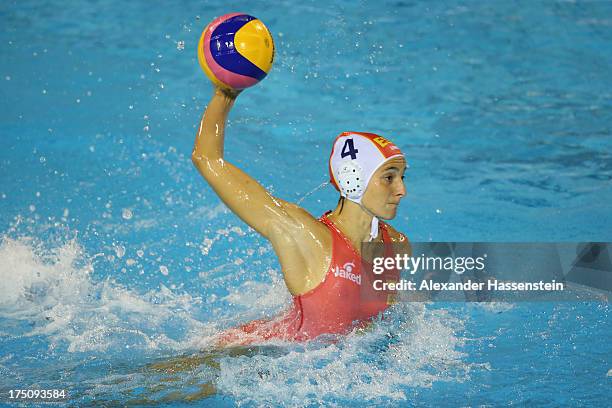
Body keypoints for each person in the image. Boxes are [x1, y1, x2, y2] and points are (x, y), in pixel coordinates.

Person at [192, 86, 410, 346]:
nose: (402, 190)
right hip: (246, 353)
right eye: (389, 177)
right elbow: (207, 159)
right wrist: (225, 94)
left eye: (402, 177)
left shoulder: (396, 247)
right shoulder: (304, 235)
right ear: (353, 178)